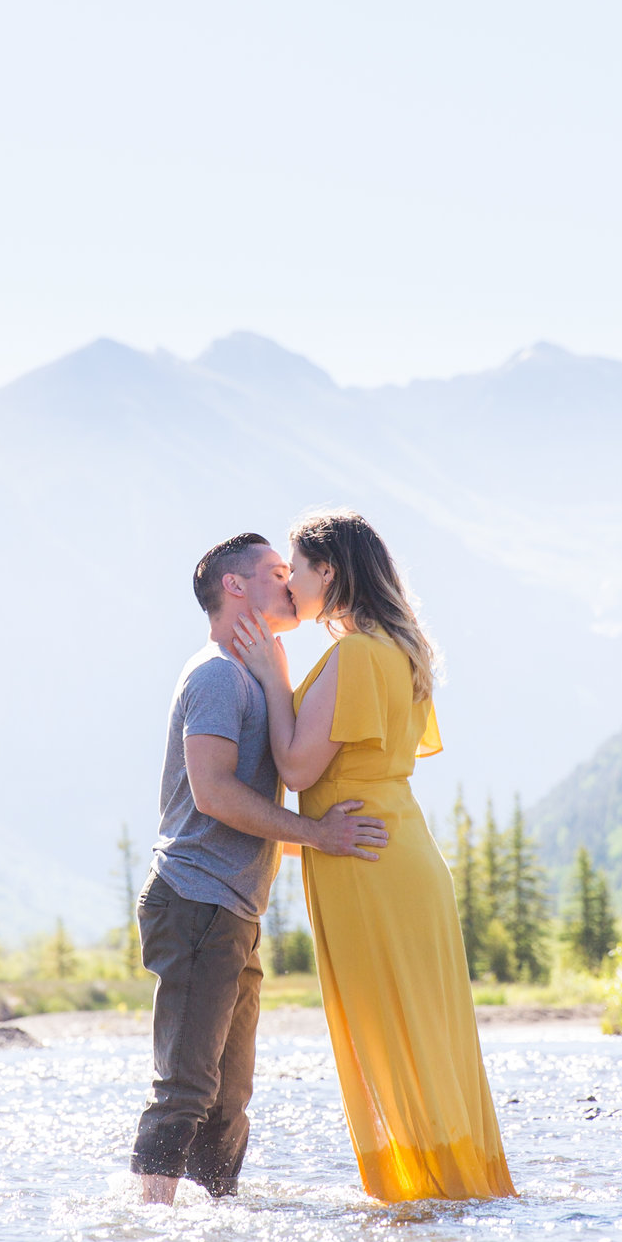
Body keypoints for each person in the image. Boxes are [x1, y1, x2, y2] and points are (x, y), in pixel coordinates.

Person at [227, 509, 516, 1202]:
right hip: (395, 847)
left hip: (366, 856)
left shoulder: (356, 653)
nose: (290, 583)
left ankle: (422, 1191)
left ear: (327, 571)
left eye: (295, 568)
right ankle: (456, 1186)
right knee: (422, 1029)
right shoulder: (397, 646)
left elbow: (298, 769)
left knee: (387, 1030)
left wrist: (272, 673)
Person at [131, 532, 390, 1203]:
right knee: (186, 1085)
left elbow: (258, 802)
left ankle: (220, 1226)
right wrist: (318, 834)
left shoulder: (250, 678)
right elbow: (216, 795)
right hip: (194, 901)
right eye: (276, 572)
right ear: (235, 588)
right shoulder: (218, 675)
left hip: (230, 911)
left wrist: (332, 839)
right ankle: (148, 1233)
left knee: (227, 1098)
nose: (291, 583)